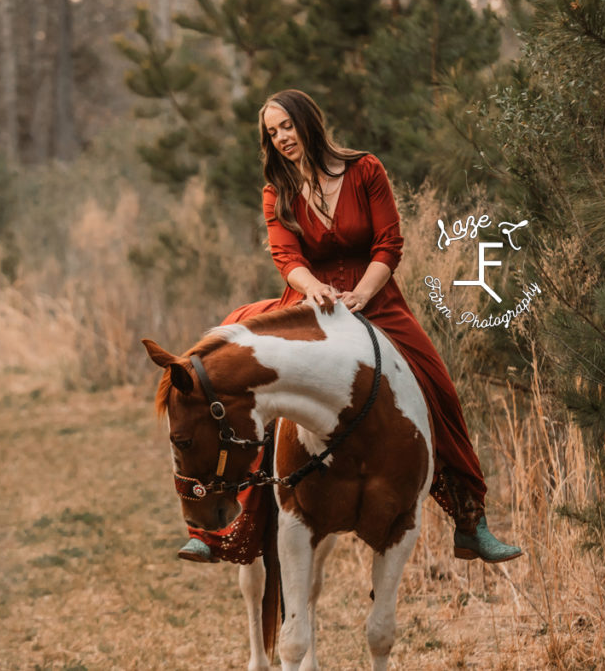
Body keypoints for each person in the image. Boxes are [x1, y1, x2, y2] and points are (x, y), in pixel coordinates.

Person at [177, 89, 522, 565]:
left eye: (286, 127)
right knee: (254, 388)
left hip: (376, 299)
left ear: (307, 123)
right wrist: (313, 287)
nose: (280, 139)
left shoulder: (365, 170)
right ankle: (226, 529)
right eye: (271, 132)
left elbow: (389, 242)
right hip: (309, 302)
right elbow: (285, 255)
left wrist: (363, 291)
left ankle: (470, 521)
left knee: (437, 386)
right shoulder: (277, 189)